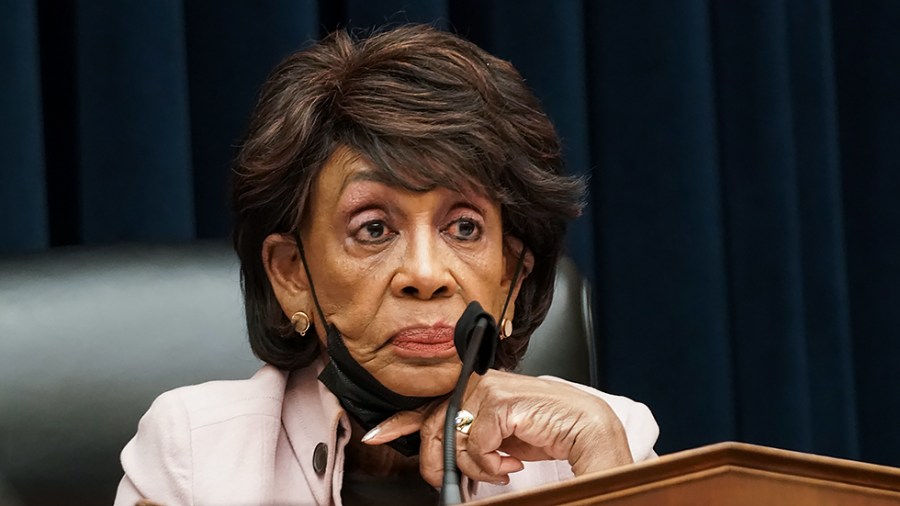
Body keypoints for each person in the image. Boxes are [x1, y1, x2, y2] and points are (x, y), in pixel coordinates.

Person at [114, 24, 658, 505]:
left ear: (510, 278)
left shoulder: (603, 440)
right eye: (373, 229)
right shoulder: (195, 458)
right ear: (291, 274)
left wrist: (608, 476)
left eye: (463, 227)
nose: (425, 274)